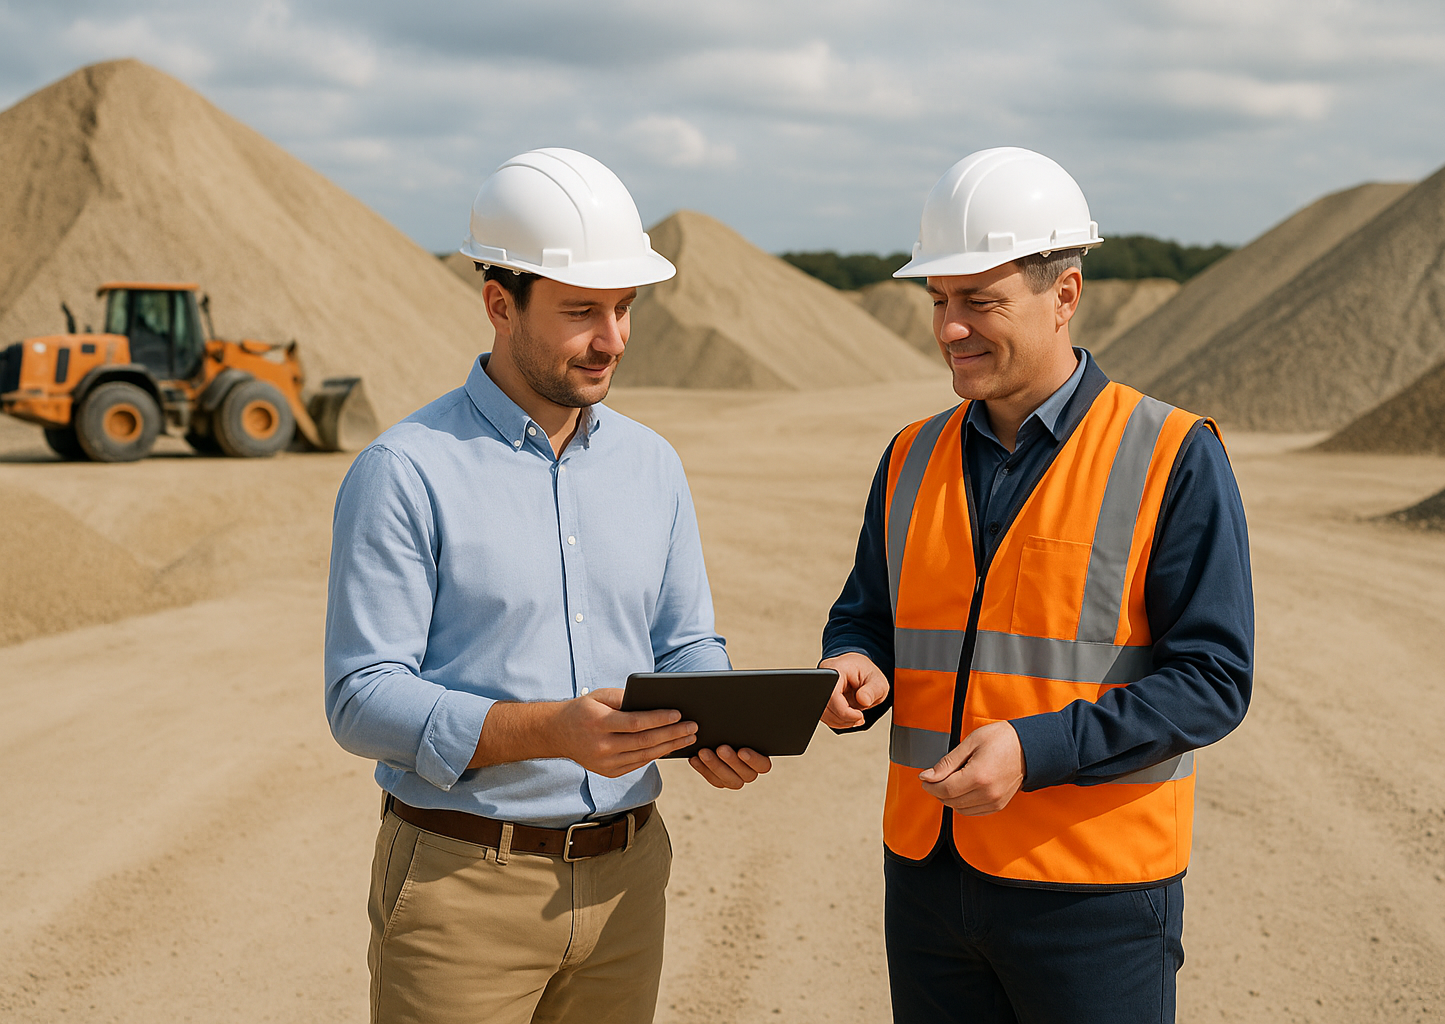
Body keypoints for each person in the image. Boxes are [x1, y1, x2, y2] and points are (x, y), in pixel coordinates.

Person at [325, 148, 770, 1024]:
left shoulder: (653, 464)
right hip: (462, 889)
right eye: (580, 312)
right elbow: (360, 696)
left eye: (624, 308)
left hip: (630, 881)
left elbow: (685, 641)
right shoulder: (405, 471)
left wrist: (714, 719)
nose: (613, 340)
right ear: (500, 303)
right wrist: (551, 732)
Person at [819, 147, 1255, 1023]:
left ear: (1065, 295)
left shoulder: (1170, 455)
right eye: (939, 300)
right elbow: (868, 612)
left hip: (1090, 892)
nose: (949, 327)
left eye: (980, 301)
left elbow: (1213, 681)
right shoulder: (909, 455)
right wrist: (854, 665)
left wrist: (1036, 751)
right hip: (929, 883)